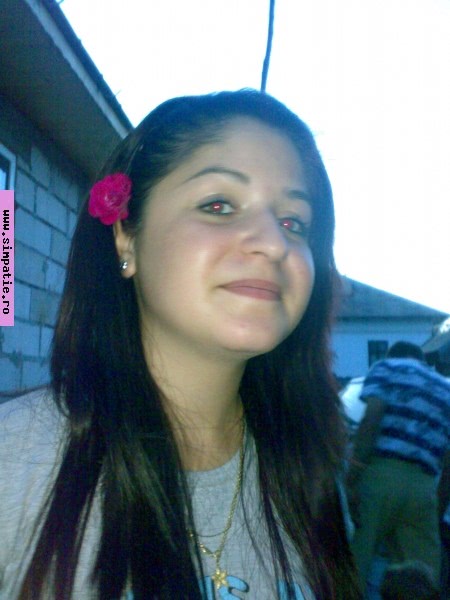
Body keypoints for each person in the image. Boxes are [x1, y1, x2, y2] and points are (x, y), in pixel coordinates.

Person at [0, 90, 361, 599]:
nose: (274, 243)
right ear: (127, 237)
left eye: (293, 222)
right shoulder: (14, 462)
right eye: (219, 205)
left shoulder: (309, 474)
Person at [347, 341, 450, 596]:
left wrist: (353, 477)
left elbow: (372, 418)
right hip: (423, 486)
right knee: (421, 576)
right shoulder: (444, 388)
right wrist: (438, 505)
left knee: (355, 562)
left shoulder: (387, 367)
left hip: (379, 476)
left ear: (392, 355)